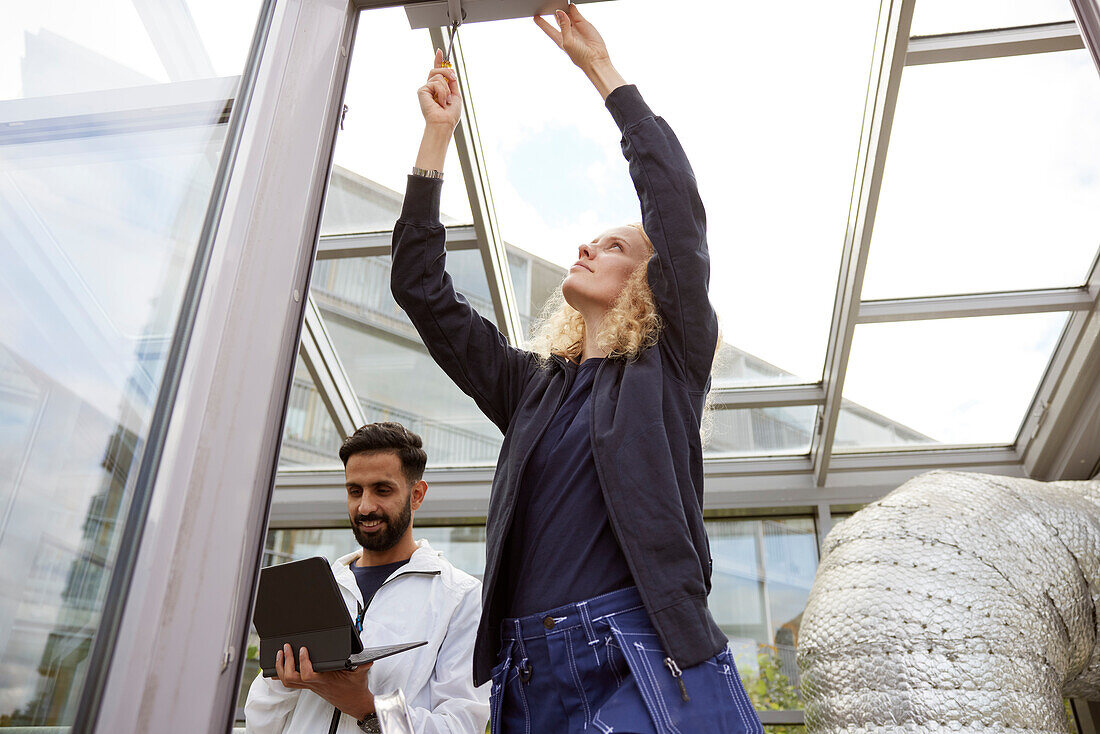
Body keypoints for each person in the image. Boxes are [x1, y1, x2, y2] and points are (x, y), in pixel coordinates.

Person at [391, 5, 764, 732]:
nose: (589, 248)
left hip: (638, 653)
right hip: (527, 676)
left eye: (616, 245)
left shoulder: (669, 365)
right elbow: (421, 290)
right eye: (590, 240)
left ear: (651, 284)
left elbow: (678, 210)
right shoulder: (531, 388)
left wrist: (601, 70)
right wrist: (436, 138)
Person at [244, 422, 489, 734]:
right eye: (354, 491)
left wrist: (365, 706)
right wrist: (284, 684)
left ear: (416, 495)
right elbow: (259, 726)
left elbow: (461, 727)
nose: (365, 506)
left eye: (382, 490)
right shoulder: (315, 587)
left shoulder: (461, 598)